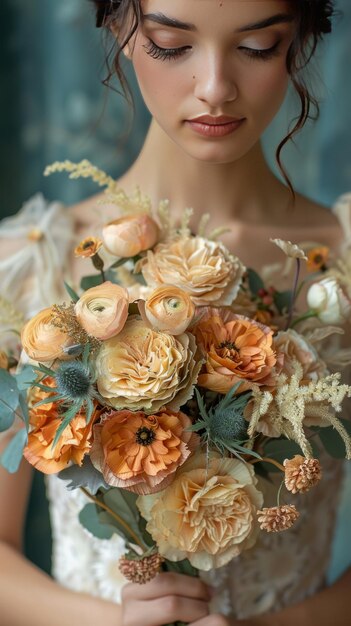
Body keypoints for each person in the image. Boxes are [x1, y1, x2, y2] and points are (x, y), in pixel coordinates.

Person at [0, 1, 350, 624]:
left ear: (298, 36)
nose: (215, 87)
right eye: (170, 44)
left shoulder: (341, 262)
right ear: (120, 30)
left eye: (258, 46)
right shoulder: (29, 262)